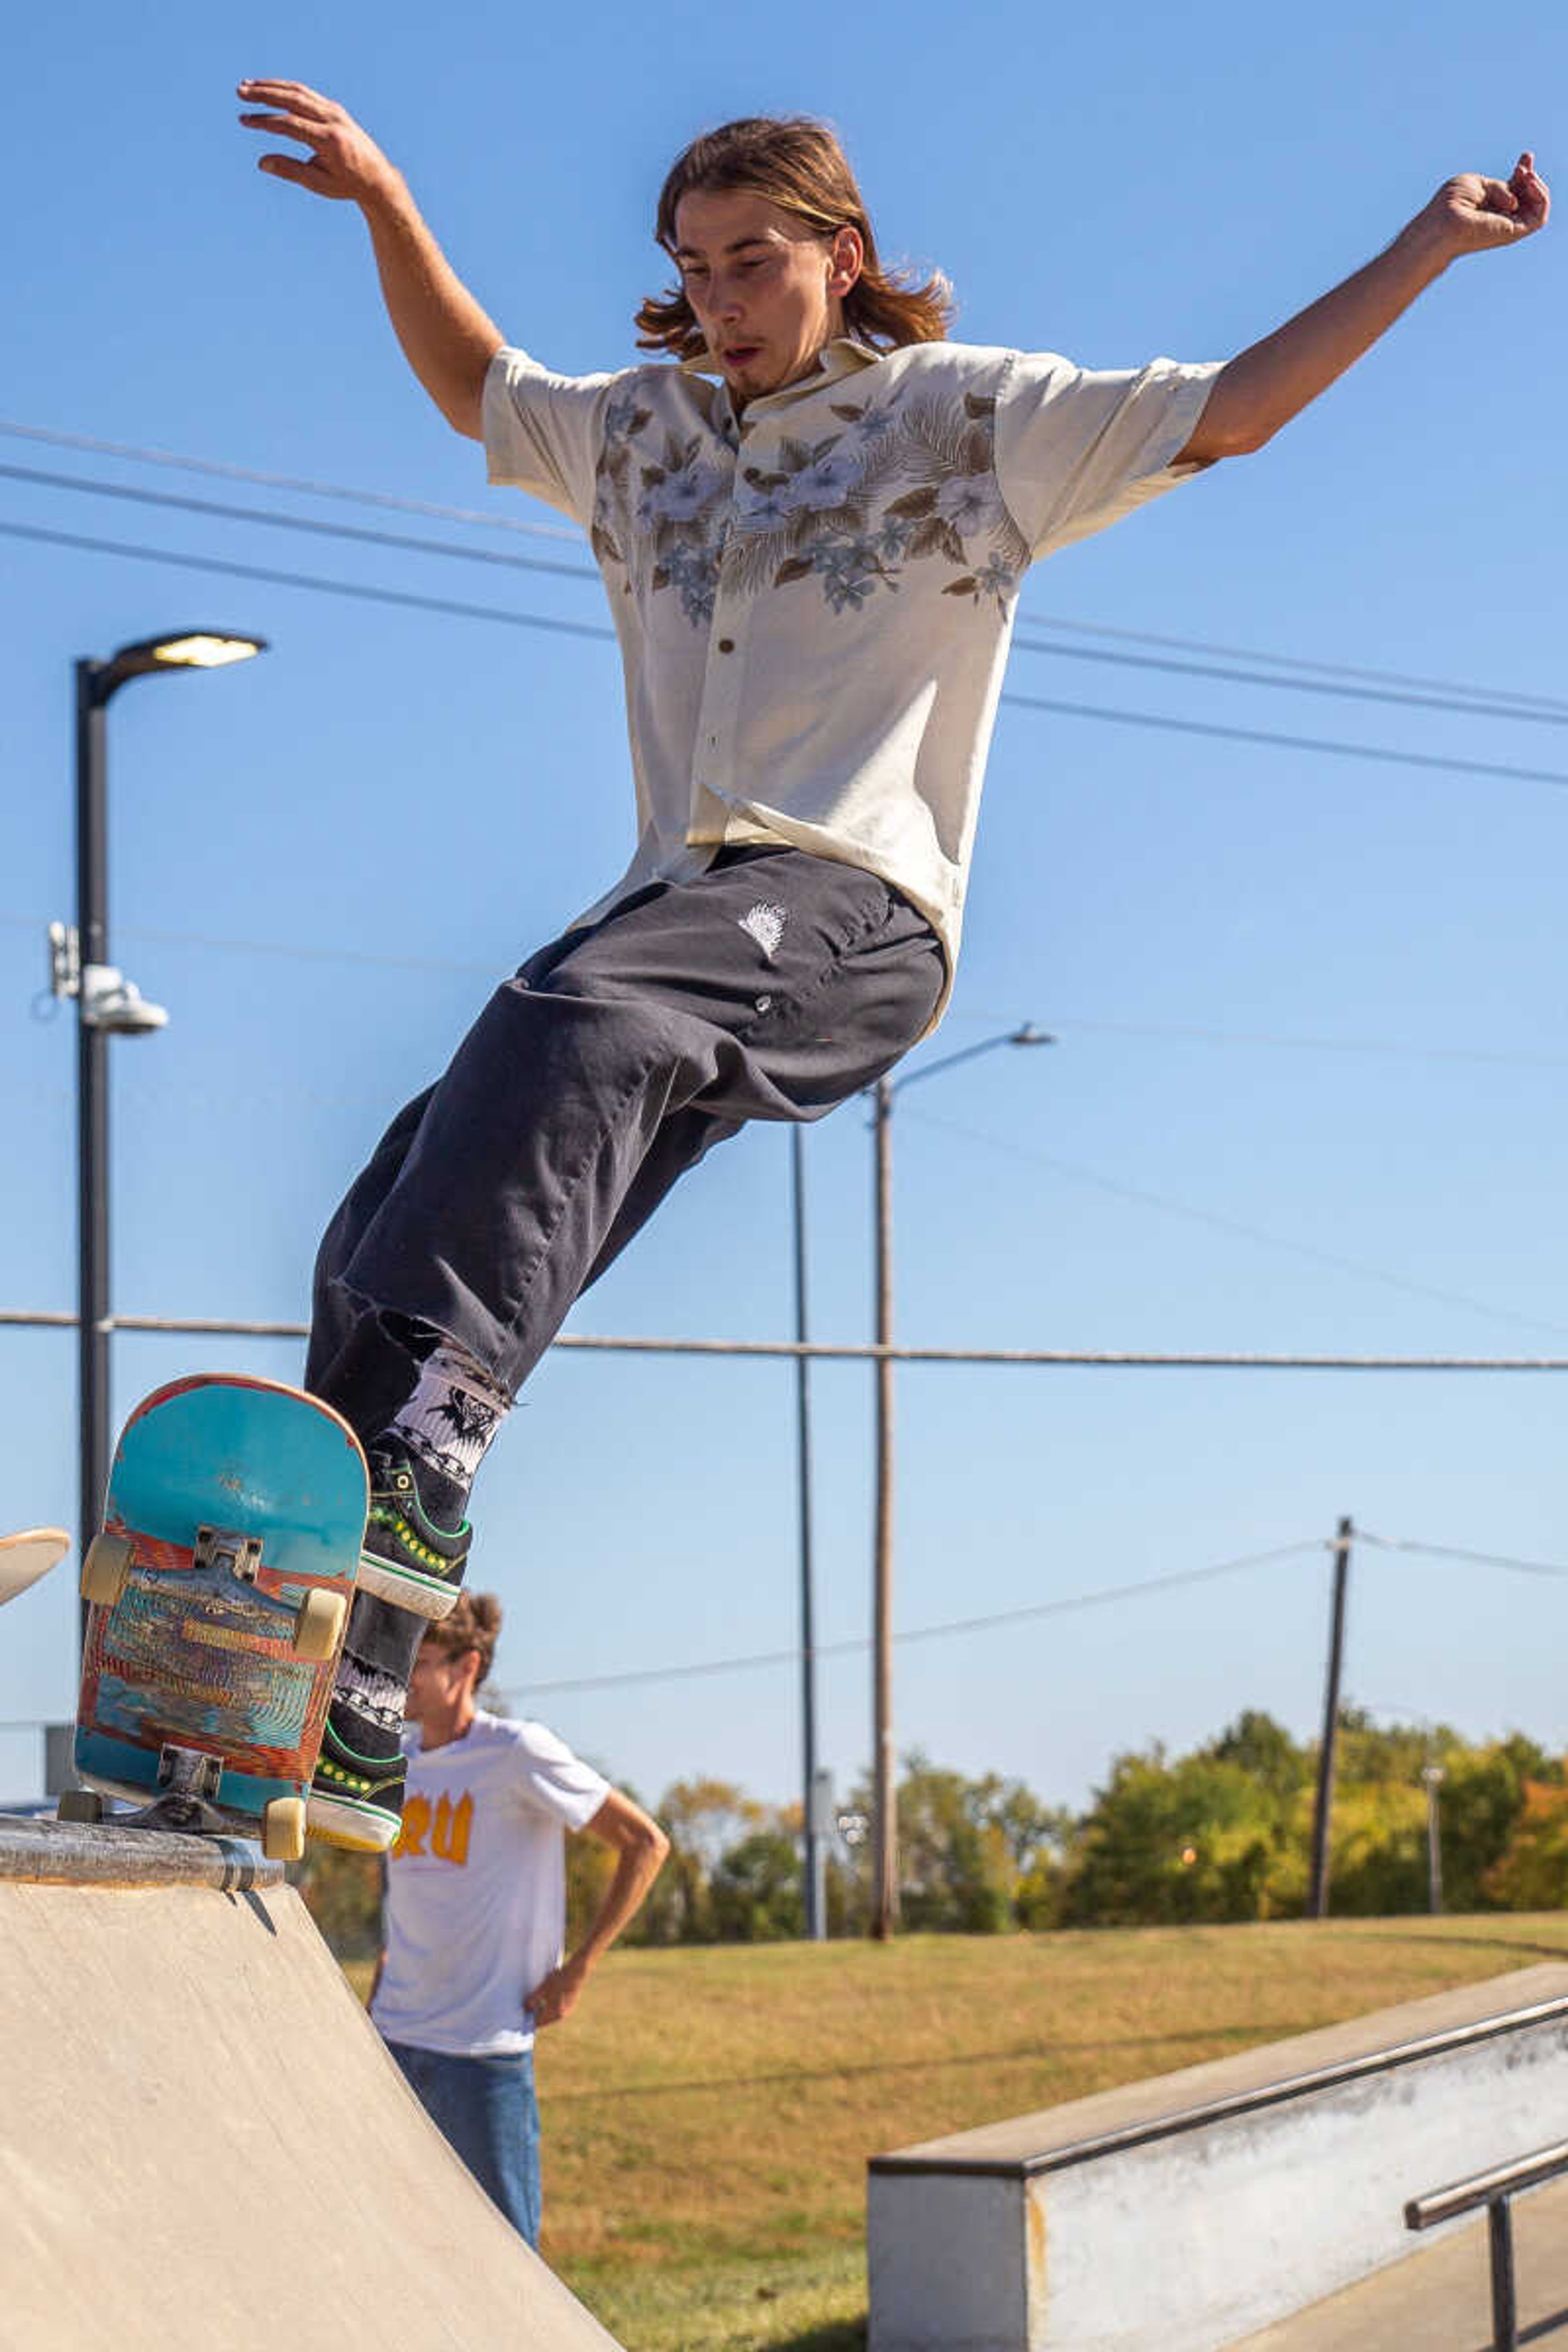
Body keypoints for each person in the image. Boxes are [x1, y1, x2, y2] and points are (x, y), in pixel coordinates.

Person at [234, 80, 1548, 1853]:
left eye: (754, 262)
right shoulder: (645, 432)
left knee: (569, 1020)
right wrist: (390, 203)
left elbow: (1231, 413)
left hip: (855, 911)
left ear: (842, 259)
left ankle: (422, 1468)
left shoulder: (965, 416)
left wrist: (1429, 246)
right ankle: (342, 1673)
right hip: (679, 912)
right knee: (404, 1183)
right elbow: (480, 382)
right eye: (693, 269)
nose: (720, 300)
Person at [369, 1592, 669, 2246]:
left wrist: (579, 1970)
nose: (403, 1680)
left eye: (418, 1662)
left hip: (484, 2054)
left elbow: (646, 1844)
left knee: (511, 2264)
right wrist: (382, 1981)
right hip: (393, 2045)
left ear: (466, 1666)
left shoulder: (518, 1753)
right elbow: (398, 1888)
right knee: (403, 2254)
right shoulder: (397, 1762)